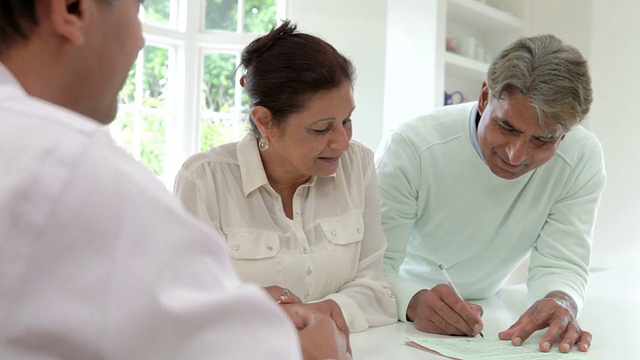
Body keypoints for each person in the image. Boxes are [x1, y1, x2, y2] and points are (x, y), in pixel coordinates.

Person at [0, 1, 350, 359]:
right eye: (136, 11)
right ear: (71, 9)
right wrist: (311, 349)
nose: (139, 42)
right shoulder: (74, 170)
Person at [375, 34, 605, 353]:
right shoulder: (412, 146)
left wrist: (560, 299)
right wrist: (412, 301)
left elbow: (562, 259)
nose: (515, 155)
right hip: (397, 314)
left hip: (492, 311)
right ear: (485, 97)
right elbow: (373, 264)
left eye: (542, 141)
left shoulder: (581, 157)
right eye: (507, 128)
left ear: (565, 135)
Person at [174, 20, 397, 334]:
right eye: (321, 129)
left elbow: (377, 290)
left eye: (346, 121)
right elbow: (185, 306)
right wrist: (242, 304)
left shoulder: (357, 165)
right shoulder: (204, 180)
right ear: (265, 122)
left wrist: (309, 316)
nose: (342, 142)